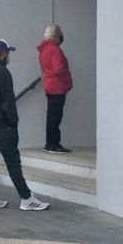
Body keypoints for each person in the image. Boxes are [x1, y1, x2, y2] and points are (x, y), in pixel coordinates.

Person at [0, 39, 50, 212]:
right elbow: (8, 103)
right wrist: (13, 124)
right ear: (4, 53)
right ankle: (26, 198)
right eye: (8, 52)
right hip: (1, 126)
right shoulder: (2, 72)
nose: (9, 55)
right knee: (13, 162)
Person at [37, 23, 73, 153]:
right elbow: (59, 69)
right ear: (57, 35)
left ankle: (49, 143)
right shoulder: (56, 50)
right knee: (56, 117)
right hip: (57, 87)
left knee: (51, 116)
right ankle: (55, 145)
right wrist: (66, 82)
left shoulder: (44, 50)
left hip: (49, 85)